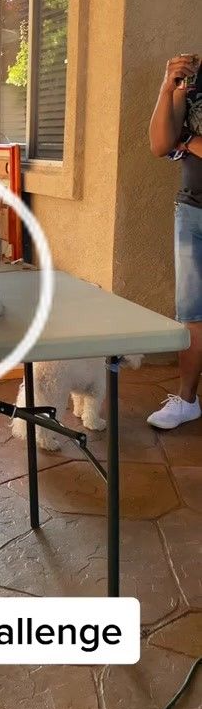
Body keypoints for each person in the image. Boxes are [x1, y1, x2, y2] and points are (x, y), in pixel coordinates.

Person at [148, 52, 202, 429]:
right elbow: (159, 143)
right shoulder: (195, 74)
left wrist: (187, 137)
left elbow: (179, 140)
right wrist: (168, 89)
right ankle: (187, 400)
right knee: (192, 314)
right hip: (193, 211)